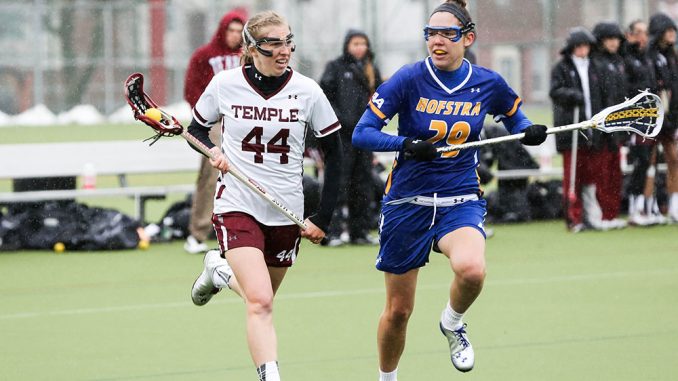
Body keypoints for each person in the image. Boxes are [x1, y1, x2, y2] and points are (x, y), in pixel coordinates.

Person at [351, 1, 547, 379]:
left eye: (448, 34)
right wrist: (406, 144)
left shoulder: (487, 82)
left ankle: (453, 322)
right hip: (408, 202)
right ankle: (386, 377)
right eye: (431, 34)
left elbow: (515, 116)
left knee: (472, 271)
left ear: (468, 38)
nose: (437, 42)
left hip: (460, 198)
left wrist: (528, 130)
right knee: (398, 312)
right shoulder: (408, 79)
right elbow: (362, 133)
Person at [187, 11, 343, 381]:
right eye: (273, 43)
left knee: (262, 295)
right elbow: (195, 129)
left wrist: (323, 217)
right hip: (237, 203)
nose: (284, 50)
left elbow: (335, 154)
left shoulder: (307, 91)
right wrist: (212, 151)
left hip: (286, 209)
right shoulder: (225, 83)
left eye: (288, 41)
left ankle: (219, 271)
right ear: (252, 48)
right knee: (261, 302)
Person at [183, 8, 247, 254]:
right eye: (231, 30)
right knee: (211, 175)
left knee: (247, 173)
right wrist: (207, 117)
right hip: (215, 124)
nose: (234, 35)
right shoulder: (204, 55)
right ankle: (197, 233)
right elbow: (191, 89)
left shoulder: (247, 56)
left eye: (239, 31)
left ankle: (243, 229)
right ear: (222, 30)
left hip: (243, 121)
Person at [319, 29, 383, 246]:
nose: (359, 48)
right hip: (341, 138)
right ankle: (331, 232)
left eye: (363, 43)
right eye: (355, 43)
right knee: (338, 184)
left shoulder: (370, 69)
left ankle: (360, 232)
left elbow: (380, 100)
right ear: (347, 45)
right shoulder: (334, 68)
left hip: (364, 137)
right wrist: (340, 122)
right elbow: (324, 98)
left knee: (363, 184)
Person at [549, 27, 603, 232]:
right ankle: (574, 217)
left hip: (591, 127)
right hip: (571, 129)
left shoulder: (594, 67)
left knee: (590, 175)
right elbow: (555, 91)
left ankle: (591, 215)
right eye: (580, 46)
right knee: (573, 176)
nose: (583, 50)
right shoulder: (562, 68)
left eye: (586, 46)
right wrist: (572, 95)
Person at [587, 21, 628, 230]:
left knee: (614, 173)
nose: (614, 43)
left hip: (618, 126)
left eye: (616, 39)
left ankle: (612, 214)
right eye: (609, 39)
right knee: (600, 174)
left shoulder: (619, 62)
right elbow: (596, 97)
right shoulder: (594, 63)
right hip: (602, 127)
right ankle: (601, 215)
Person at [622, 20, 662, 225]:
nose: (642, 37)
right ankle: (633, 208)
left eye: (645, 33)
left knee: (647, 162)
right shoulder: (626, 58)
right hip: (634, 120)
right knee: (639, 163)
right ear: (629, 35)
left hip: (649, 118)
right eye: (638, 33)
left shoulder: (647, 58)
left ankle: (645, 207)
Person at [648, 12, 678, 223]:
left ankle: (674, 205)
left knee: (674, 160)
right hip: (654, 116)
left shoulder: (672, 56)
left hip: (671, 116)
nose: (672, 35)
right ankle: (649, 207)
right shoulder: (650, 56)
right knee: (650, 161)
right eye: (668, 31)